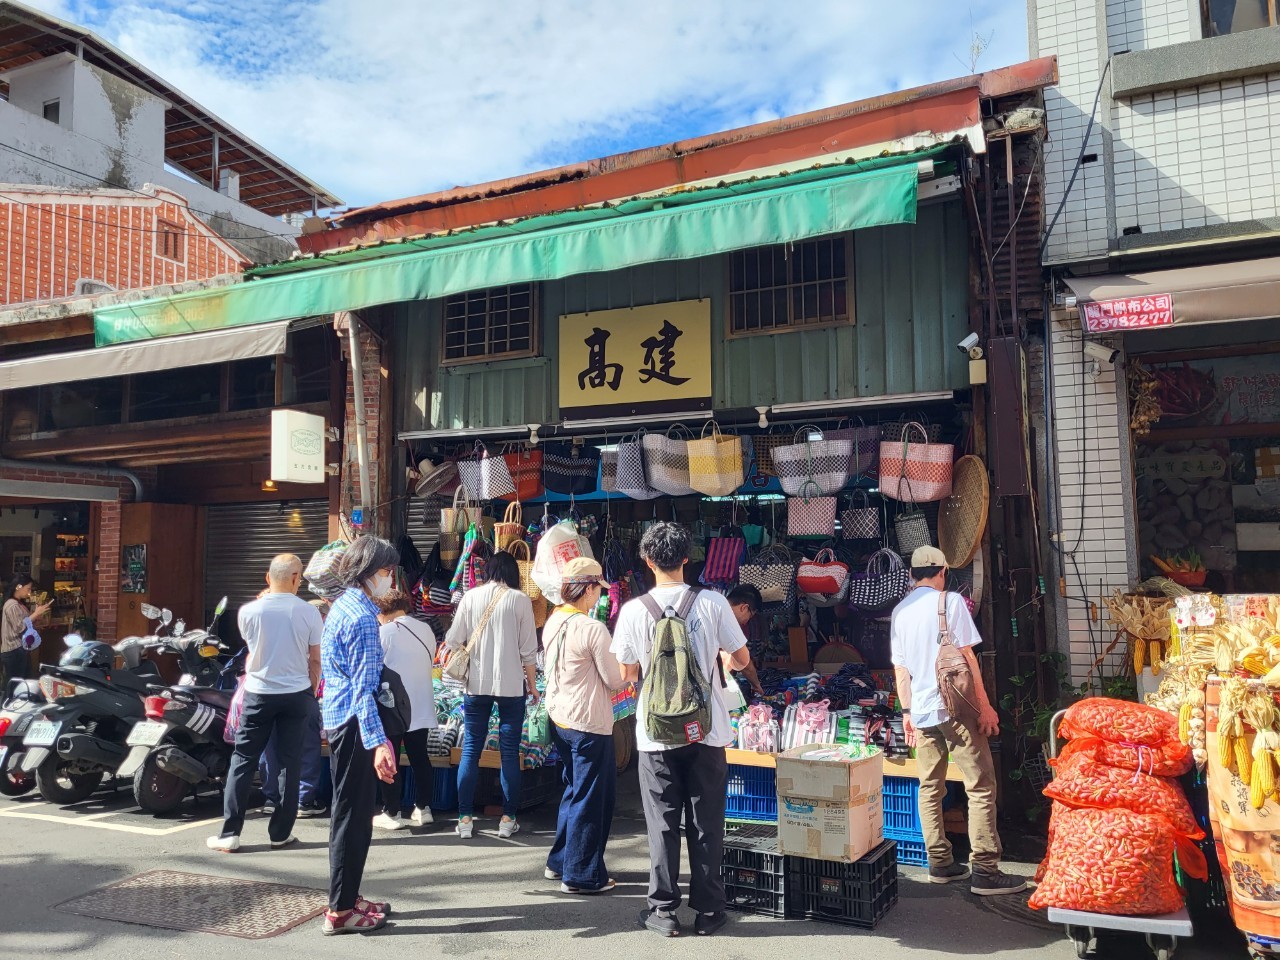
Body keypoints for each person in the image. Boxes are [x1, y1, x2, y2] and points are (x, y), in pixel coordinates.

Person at [612, 522, 751, 938]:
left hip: (655, 735)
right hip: (706, 732)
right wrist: (722, 663)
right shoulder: (713, 602)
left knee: (663, 823)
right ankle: (709, 912)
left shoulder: (635, 610)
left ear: (647, 560)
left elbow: (626, 673)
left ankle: (663, 911)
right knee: (707, 821)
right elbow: (741, 658)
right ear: (687, 559)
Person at [890, 546, 1027, 896]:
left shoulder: (900, 612)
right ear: (943, 572)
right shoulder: (949, 602)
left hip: (921, 713)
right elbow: (968, 658)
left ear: (911, 575)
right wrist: (985, 706)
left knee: (929, 787)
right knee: (980, 784)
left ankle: (940, 863)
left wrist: (906, 713)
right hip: (955, 709)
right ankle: (984, 868)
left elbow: (900, 669)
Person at [208, 555, 323, 854]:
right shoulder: (309, 613)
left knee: (243, 759)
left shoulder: (248, 611)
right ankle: (280, 834)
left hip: (258, 692)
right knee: (290, 762)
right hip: (297, 693)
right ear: (297, 577)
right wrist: (309, 688)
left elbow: (252, 649)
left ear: (267, 578)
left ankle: (230, 833)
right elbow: (315, 658)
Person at [320, 536, 401, 935]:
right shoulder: (364, 618)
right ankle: (340, 910)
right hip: (354, 723)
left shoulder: (344, 606)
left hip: (341, 719)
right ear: (369, 573)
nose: (390, 580)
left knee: (348, 813)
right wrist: (379, 744)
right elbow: (362, 689)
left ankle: (348, 898)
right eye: (386, 572)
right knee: (353, 818)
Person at [542, 558, 623, 895]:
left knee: (576, 791)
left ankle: (560, 860)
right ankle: (581, 874)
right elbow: (615, 679)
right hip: (587, 721)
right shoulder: (591, 628)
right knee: (591, 798)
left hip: (559, 715)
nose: (598, 597)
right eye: (597, 590)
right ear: (588, 588)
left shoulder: (554, 620)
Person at [444, 551, 538, 840]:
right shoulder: (520, 600)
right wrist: (533, 686)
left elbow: (452, 639)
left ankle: (464, 818)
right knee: (509, 752)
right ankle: (508, 819)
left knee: (471, 749)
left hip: (476, 685)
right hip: (511, 687)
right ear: (513, 574)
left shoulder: (470, 597)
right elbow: (529, 652)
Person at [373, 589, 438, 830]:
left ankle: (391, 812)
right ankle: (423, 808)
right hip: (422, 703)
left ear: (383, 611)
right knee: (420, 756)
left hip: (394, 706)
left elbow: (375, 668)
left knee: (390, 756)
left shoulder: (385, 632)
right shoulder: (426, 629)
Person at [260, 596, 329, 819]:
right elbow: (317, 664)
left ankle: (272, 798)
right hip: (300, 694)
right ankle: (303, 800)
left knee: (270, 747)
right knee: (306, 747)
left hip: (265, 693)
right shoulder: (315, 636)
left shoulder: (268, 630)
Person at [2, 576, 50, 682]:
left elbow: (26, 623)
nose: (29, 591)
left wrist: (36, 618)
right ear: (18, 587)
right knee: (16, 684)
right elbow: (19, 627)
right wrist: (36, 614)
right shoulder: (12, 605)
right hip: (14, 650)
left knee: (23, 682)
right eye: (28, 588)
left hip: (20, 649)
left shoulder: (19, 604)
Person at [724, 585, 765, 696]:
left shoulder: (713, 606)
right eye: (750, 615)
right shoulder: (727, 619)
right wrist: (756, 686)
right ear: (744, 608)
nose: (747, 622)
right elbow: (745, 664)